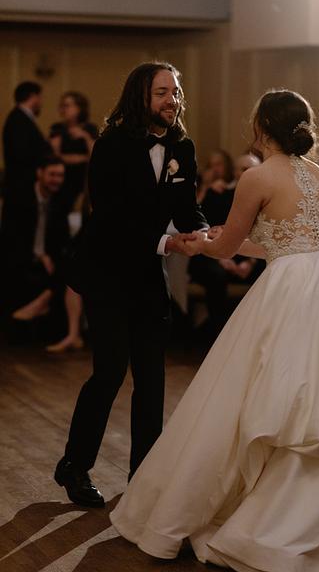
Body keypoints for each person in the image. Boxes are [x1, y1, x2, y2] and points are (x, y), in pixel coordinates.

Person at [110, 89, 319, 572]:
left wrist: (199, 244)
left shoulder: (256, 177)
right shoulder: (317, 174)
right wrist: (221, 239)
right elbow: (292, 241)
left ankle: (276, 519)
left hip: (293, 290)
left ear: (262, 126)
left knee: (272, 390)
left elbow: (231, 247)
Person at [54, 62, 208, 508]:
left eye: (175, 92)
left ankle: (144, 476)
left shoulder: (182, 146)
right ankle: (75, 465)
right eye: (162, 93)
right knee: (109, 373)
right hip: (106, 272)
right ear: (140, 97)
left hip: (147, 277)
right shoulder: (110, 146)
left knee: (152, 378)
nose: (172, 100)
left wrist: (203, 232)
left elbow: (186, 207)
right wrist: (167, 243)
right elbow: (110, 218)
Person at [190, 151, 263, 339]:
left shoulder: (266, 200)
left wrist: (250, 262)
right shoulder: (218, 194)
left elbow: (266, 238)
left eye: (250, 169)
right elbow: (206, 230)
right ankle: (221, 335)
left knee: (274, 269)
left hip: (251, 257)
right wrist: (221, 257)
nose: (246, 173)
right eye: (241, 169)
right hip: (215, 255)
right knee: (216, 275)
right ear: (235, 172)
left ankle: (256, 334)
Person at [0, 156, 69, 322]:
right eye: (52, 174)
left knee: (68, 266)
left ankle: (41, 303)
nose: (57, 180)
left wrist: (49, 257)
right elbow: (11, 237)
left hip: (47, 259)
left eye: (60, 175)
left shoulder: (60, 200)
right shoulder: (19, 197)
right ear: (40, 173)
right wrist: (39, 255)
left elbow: (62, 238)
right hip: (20, 255)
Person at [49, 91, 98, 212]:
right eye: (61, 106)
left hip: (84, 182)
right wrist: (83, 158)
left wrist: (85, 137)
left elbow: (95, 156)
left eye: (67, 105)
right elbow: (54, 158)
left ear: (79, 108)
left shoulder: (90, 128)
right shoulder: (57, 128)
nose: (63, 109)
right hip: (62, 182)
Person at [2, 81, 50, 201]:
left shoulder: (19, 118)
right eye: (40, 98)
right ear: (33, 96)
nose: (41, 103)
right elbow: (22, 152)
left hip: (21, 183)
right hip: (21, 185)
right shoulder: (18, 119)